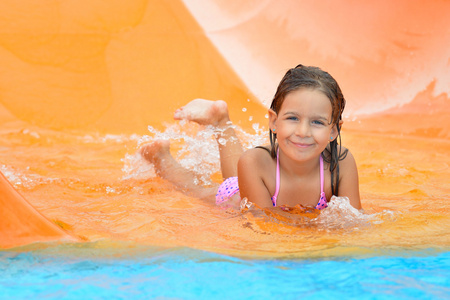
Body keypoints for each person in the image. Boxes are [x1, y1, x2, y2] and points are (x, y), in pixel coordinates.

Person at [140, 64, 361, 210]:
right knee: (203, 189)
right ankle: (162, 157)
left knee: (236, 176)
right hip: (238, 200)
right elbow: (264, 223)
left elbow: (354, 219)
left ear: (334, 130)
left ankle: (220, 120)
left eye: (317, 122)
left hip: (253, 182)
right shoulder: (254, 162)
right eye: (293, 118)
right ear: (274, 121)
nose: (303, 132)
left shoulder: (341, 163)